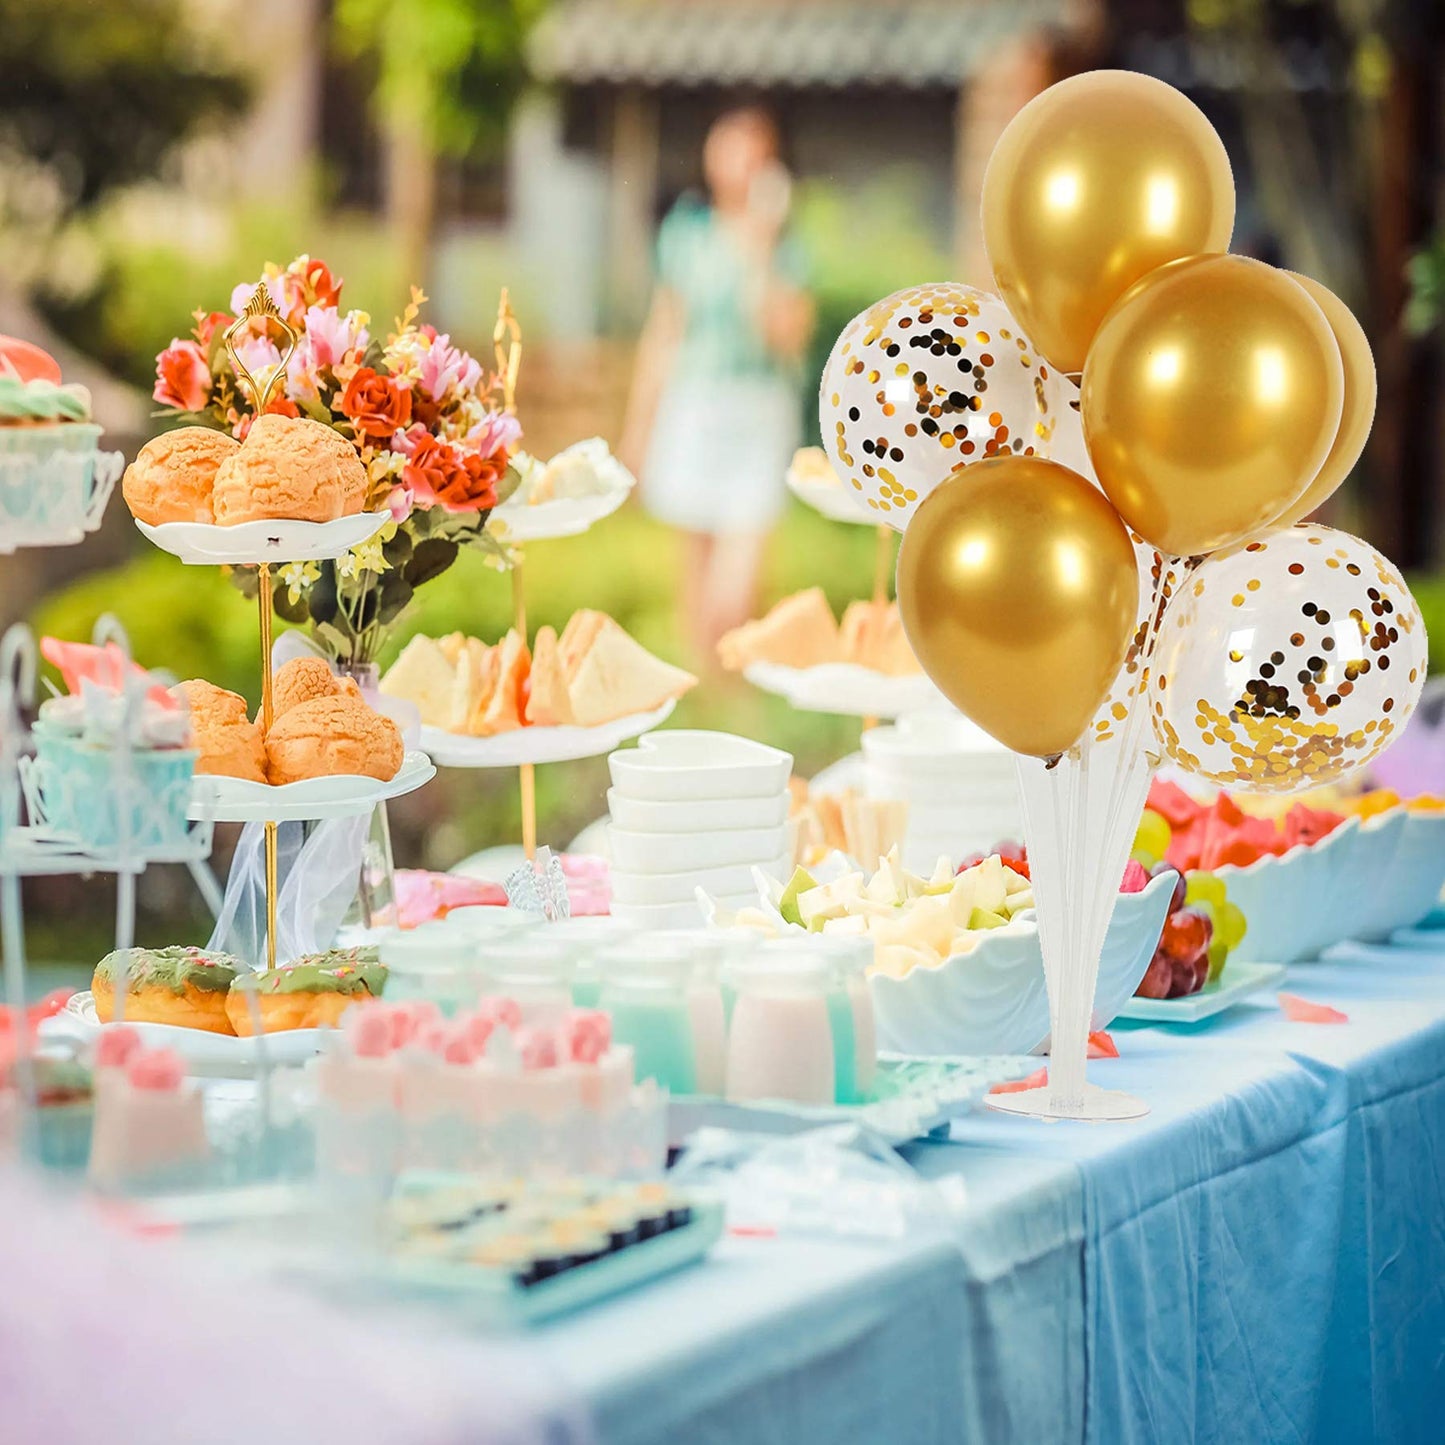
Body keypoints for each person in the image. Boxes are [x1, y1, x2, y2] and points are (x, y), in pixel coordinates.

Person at [620, 106, 814, 667]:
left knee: (738, 578)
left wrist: (759, 248)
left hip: (757, 408)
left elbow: (786, 336)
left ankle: (732, 679)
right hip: (695, 403)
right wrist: (639, 428)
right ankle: (705, 693)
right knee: (696, 565)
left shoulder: (785, 248)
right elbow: (664, 332)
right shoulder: (688, 233)